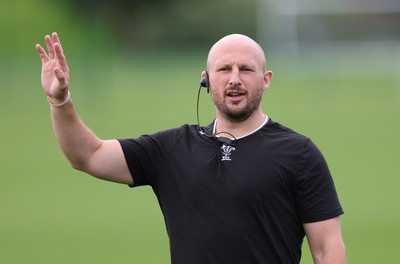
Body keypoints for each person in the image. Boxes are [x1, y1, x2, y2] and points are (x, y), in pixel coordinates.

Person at [36, 32, 346, 264]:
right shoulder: (172, 149)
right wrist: (59, 100)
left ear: (265, 80)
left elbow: (327, 248)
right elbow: (88, 155)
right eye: (224, 69)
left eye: (246, 70)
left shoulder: (299, 153)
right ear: (206, 80)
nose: (235, 79)